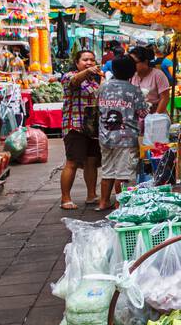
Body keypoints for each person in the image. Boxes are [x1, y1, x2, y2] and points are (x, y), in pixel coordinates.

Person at [96, 55, 148, 210]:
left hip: (105, 135)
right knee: (123, 173)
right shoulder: (133, 90)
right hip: (126, 138)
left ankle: (103, 202)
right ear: (132, 72)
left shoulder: (103, 87)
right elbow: (143, 112)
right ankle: (121, 204)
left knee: (107, 170)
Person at [60, 49, 102, 210]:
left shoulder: (94, 81)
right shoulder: (69, 76)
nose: (89, 62)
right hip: (74, 126)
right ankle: (65, 199)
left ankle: (91, 195)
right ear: (77, 62)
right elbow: (75, 81)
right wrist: (87, 71)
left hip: (92, 128)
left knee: (91, 161)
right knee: (72, 162)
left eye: (92, 59)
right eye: (85, 60)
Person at [130, 45, 172, 115]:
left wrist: (155, 116)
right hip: (138, 117)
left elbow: (164, 98)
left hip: (156, 115)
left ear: (145, 62)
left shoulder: (158, 75)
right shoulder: (132, 75)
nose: (132, 65)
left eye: (135, 62)